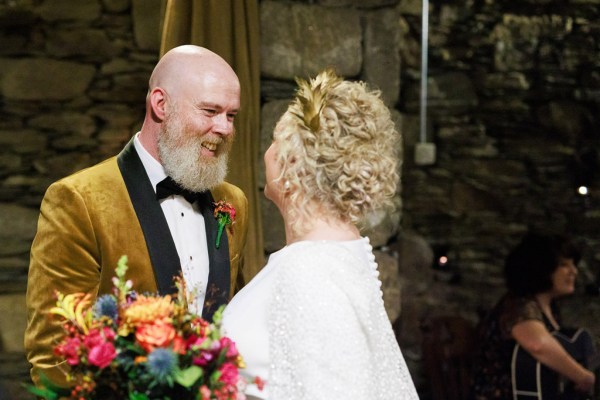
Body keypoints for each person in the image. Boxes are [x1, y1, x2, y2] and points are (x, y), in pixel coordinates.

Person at [24, 45, 249, 386]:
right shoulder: (77, 200)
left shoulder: (233, 202)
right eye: (210, 111)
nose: (225, 128)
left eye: (231, 115)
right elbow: (53, 352)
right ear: (161, 105)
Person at [222, 69, 419, 399]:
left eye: (275, 141)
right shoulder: (342, 249)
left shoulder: (308, 271)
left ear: (292, 164)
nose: (267, 153)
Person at [472, 231, 596, 399]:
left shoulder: (550, 306)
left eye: (573, 264)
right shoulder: (518, 305)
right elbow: (538, 345)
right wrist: (583, 376)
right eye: (564, 265)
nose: (573, 271)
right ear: (542, 268)